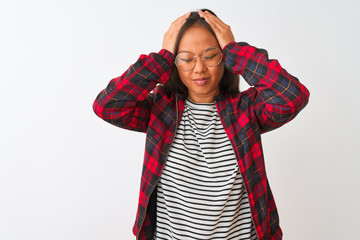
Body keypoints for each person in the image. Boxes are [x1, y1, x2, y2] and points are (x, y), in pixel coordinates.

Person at [92, 9, 310, 240]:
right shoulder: (160, 110)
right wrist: (161, 58)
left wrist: (236, 50)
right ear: (174, 63)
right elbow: (108, 106)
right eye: (186, 58)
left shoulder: (247, 110)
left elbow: (292, 96)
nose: (199, 68)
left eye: (210, 55)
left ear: (224, 57)